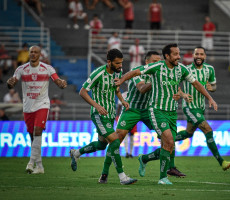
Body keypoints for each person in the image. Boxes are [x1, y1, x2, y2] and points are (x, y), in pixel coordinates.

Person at [115, 43, 218, 185]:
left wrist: (210, 98)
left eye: (179, 53)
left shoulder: (181, 69)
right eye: (175, 54)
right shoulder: (157, 67)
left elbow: (196, 84)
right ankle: (163, 178)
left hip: (172, 112)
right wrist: (121, 80)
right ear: (167, 56)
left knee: (169, 145)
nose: (179, 57)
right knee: (169, 140)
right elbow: (136, 72)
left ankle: (145, 159)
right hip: (156, 110)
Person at [69, 51, 162, 183]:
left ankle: (76, 153)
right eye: (117, 63)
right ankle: (122, 177)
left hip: (111, 114)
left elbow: (116, 89)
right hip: (99, 114)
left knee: (102, 145)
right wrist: (97, 106)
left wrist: (122, 100)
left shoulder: (117, 72)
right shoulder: (98, 73)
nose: (120, 65)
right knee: (115, 141)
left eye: (121, 62)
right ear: (109, 62)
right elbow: (82, 91)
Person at [6, 45, 67, 174]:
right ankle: (39, 166)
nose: (33, 54)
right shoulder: (21, 69)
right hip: (28, 106)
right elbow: (13, 81)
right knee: (32, 137)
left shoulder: (47, 68)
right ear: (29, 54)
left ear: (40, 55)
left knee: (37, 131)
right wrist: (9, 83)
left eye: (35, 52)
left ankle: (30, 163)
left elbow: (57, 81)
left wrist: (61, 83)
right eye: (31, 52)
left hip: (42, 104)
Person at [174, 47, 230, 171]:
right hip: (189, 107)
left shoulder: (209, 69)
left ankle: (166, 137)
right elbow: (174, 85)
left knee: (188, 133)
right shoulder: (186, 69)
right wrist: (183, 94)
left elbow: (213, 86)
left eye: (201, 54)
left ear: (205, 56)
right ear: (193, 56)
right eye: (196, 54)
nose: (199, 56)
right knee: (207, 129)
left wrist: (211, 88)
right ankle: (221, 162)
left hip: (200, 108)